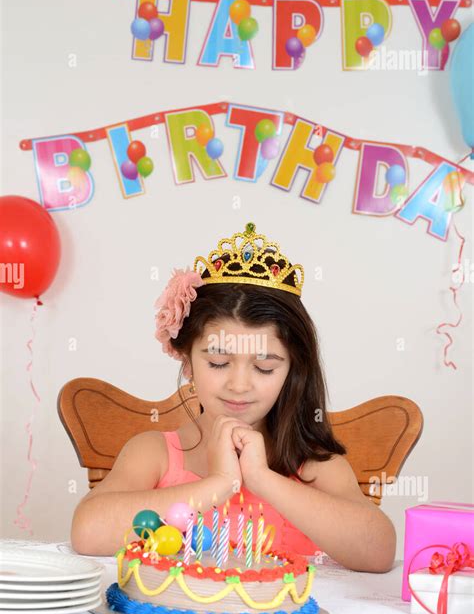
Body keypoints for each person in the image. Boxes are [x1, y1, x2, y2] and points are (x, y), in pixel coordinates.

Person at [71, 222, 396, 571]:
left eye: (265, 368)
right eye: (219, 362)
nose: (239, 385)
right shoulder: (155, 454)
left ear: (293, 372)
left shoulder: (316, 467)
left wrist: (261, 479)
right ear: (188, 363)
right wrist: (219, 484)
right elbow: (88, 532)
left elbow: (377, 553)